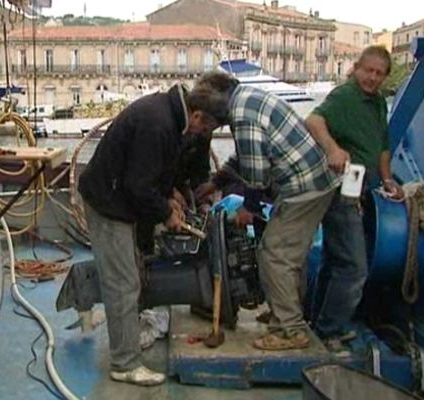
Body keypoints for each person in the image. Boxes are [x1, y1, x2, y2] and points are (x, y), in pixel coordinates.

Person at [78, 82, 228, 385]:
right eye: (206, 128)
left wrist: (169, 194)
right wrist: (165, 213)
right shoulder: (159, 125)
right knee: (123, 283)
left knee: (128, 276)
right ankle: (124, 364)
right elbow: (138, 186)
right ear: (197, 116)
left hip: (117, 196)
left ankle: (126, 347)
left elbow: (149, 171)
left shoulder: (169, 115)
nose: (201, 136)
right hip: (108, 203)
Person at [195, 72, 341, 351]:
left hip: (305, 186)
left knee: (274, 254)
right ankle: (284, 312)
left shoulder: (240, 115)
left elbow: (257, 174)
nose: (209, 123)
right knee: (288, 254)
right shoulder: (247, 99)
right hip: (313, 181)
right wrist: (216, 181)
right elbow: (246, 156)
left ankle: (290, 329)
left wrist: (248, 207)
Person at [305, 45, 403, 355]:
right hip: (340, 188)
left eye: (379, 73)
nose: (372, 78)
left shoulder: (377, 105)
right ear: (356, 68)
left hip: (360, 189)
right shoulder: (344, 96)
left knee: (336, 260)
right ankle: (329, 330)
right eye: (368, 70)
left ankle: (318, 321)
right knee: (355, 268)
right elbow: (314, 120)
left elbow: (383, 146)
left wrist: (388, 179)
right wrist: (333, 149)